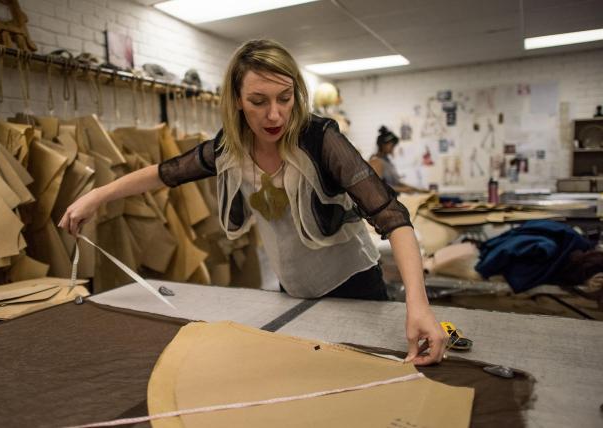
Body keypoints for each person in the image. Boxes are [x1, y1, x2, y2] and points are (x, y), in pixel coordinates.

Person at [59, 39, 447, 366]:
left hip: (354, 283)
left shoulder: (321, 139)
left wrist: (418, 305)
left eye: (285, 98)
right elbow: (166, 172)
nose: (275, 114)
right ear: (237, 100)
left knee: (364, 378)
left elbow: (393, 218)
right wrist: (97, 195)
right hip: (292, 285)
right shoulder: (230, 149)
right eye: (258, 101)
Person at [368, 127, 426, 193]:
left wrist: (417, 190)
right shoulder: (376, 162)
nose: (393, 148)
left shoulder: (386, 161)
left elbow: (396, 183)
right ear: (383, 145)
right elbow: (377, 186)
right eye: (391, 145)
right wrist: (403, 190)